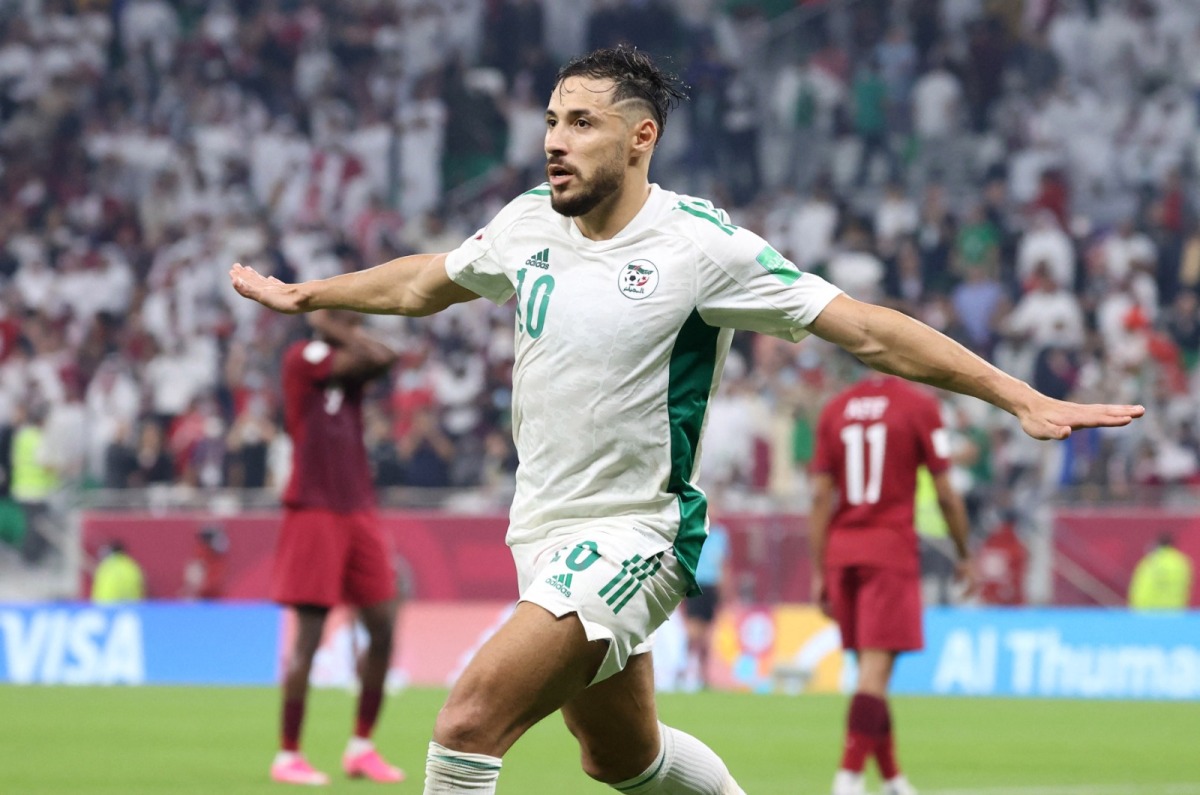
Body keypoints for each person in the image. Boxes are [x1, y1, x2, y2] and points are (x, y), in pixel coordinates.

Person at [230, 46, 1143, 795]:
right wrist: (312, 295)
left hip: (640, 532)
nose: (555, 141)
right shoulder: (525, 226)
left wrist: (1019, 393)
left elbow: (867, 332)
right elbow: (425, 280)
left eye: (580, 123)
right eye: (551, 120)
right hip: (542, 530)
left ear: (641, 138)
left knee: (467, 723)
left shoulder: (700, 245)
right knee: (623, 759)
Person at [810, 371, 976, 795]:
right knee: (873, 676)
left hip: (843, 552)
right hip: (889, 551)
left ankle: (892, 780)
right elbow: (945, 492)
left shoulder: (835, 408)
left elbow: (818, 496)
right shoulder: (918, 406)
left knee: (870, 675)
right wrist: (964, 553)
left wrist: (819, 569)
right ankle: (847, 779)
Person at [268, 309, 405, 786]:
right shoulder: (302, 358)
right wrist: (327, 322)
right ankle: (288, 754)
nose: (351, 315)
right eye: (340, 308)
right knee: (309, 635)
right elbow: (372, 355)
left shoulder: (352, 362)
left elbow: (387, 357)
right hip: (315, 509)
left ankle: (361, 746)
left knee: (384, 626)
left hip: (357, 509)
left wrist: (340, 326)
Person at [681, 512, 730, 691]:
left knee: (707, 636)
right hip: (696, 585)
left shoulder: (720, 535)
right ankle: (684, 671)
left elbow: (724, 564)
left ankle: (703, 675)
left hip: (711, 587)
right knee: (693, 633)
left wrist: (724, 592)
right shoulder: (694, 533)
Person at [1128, 534, 1194, 610]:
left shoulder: (1152, 561)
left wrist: (1136, 607)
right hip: (1175, 610)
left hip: (1149, 611)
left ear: (1157, 544)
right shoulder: (1182, 562)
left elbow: (1141, 586)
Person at [180, 524, 229, 600]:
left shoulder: (217, 560)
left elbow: (214, 585)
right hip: (201, 598)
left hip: (213, 599)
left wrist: (199, 588)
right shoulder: (200, 554)